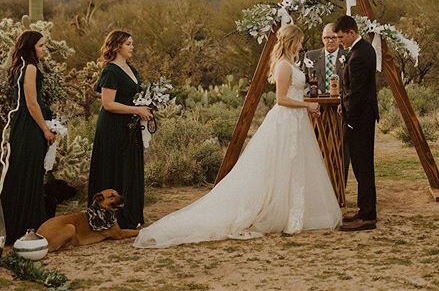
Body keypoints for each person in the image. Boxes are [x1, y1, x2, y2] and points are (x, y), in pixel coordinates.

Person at [134, 24, 342, 248]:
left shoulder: (292, 63)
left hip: (296, 122)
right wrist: (307, 106)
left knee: (294, 167)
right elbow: (281, 99)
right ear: (292, 41)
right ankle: (276, 213)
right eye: (299, 41)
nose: (302, 45)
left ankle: (294, 214)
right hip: (286, 121)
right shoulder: (283, 66)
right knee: (279, 167)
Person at [88, 30, 151, 230]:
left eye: (132, 43)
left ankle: (131, 215)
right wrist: (136, 109)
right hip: (113, 128)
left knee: (130, 169)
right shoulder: (111, 71)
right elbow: (107, 104)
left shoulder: (130, 68)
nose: (132, 47)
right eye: (128, 44)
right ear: (116, 47)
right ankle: (111, 218)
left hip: (129, 127)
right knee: (115, 168)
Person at [0, 31, 56, 244]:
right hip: (29, 126)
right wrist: (45, 129)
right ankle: (27, 226)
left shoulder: (19, 66)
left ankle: (20, 225)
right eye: (41, 45)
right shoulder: (30, 68)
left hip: (22, 124)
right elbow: (31, 102)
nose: (44, 49)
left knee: (23, 171)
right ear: (30, 47)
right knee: (29, 172)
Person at [335, 15, 378, 232]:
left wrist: (349, 121)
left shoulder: (360, 54)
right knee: (361, 167)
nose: (340, 41)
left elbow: (358, 93)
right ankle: (364, 209)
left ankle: (368, 215)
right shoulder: (361, 50)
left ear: (351, 32)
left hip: (360, 119)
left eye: (342, 37)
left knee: (363, 166)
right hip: (361, 116)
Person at [304, 23, 350, 178]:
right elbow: (304, 82)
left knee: (341, 148)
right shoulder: (310, 56)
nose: (330, 41)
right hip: (318, 112)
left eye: (333, 37)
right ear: (322, 39)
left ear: (339, 38)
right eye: (326, 38)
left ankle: (339, 187)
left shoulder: (348, 55)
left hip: (341, 110)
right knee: (317, 147)